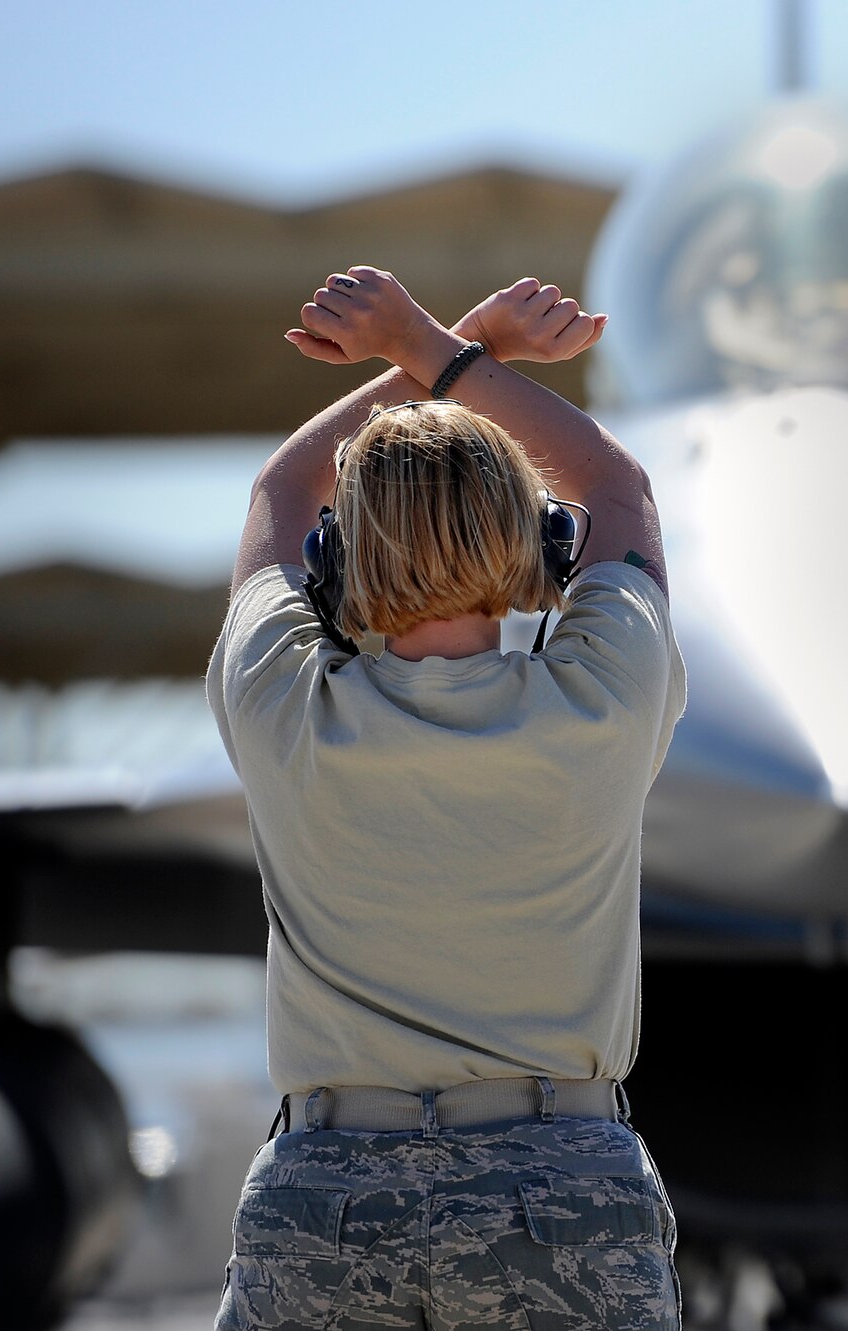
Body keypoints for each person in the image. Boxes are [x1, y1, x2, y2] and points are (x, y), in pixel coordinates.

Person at [205, 266, 686, 1330]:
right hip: (561, 1197)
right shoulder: (605, 698)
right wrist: (441, 345)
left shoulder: (283, 700)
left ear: (335, 559)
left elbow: (283, 492)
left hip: (323, 1199)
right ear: (542, 548)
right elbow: (616, 487)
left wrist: (434, 342)